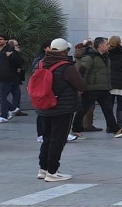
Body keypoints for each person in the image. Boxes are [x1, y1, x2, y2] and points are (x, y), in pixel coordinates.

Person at [37, 39, 87, 181]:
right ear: (64, 51)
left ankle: (43, 169)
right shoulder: (66, 66)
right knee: (58, 139)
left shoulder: (41, 63)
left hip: (44, 106)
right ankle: (53, 171)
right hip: (62, 108)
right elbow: (81, 85)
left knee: (46, 138)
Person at [76, 37, 122, 138]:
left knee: (108, 109)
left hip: (104, 87)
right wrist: (81, 87)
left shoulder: (106, 56)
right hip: (91, 88)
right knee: (83, 109)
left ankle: (115, 129)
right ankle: (75, 129)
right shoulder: (90, 57)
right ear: (100, 46)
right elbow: (82, 72)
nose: (109, 46)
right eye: (106, 44)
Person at [0, 37, 23, 123]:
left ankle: (4, 116)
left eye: (1, 39)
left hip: (6, 77)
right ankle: (13, 108)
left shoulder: (11, 50)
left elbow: (19, 61)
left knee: (2, 96)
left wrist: (11, 55)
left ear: (6, 41)